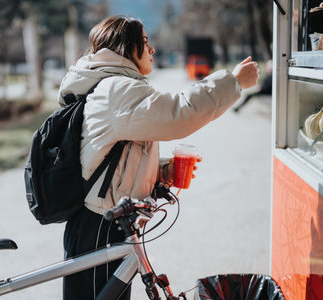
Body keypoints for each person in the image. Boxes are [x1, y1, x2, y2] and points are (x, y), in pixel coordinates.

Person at [58, 15, 259, 300]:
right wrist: (233, 82)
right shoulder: (118, 89)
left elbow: (120, 151)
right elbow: (178, 113)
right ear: (124, 48)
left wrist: (161, 170)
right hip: (100, 224)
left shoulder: (116, 86)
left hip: (107, 218)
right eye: (144, 42)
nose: (151, 50)